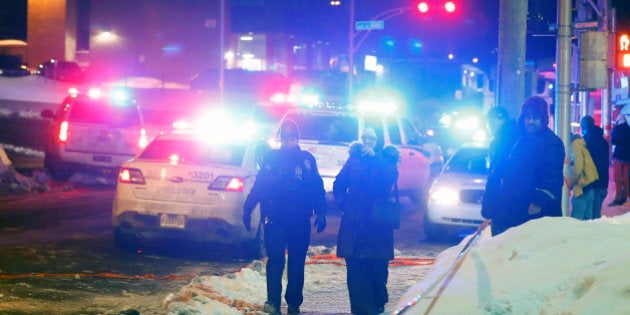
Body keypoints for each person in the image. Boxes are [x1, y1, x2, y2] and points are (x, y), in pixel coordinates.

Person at [243, 120, 328, 315]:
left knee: (297, 262)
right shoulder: (271, 159)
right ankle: (273, 301)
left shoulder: (307, 160)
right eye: (285, 138)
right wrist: (248, 208)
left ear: (297, 139)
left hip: (299, 220)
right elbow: (259, 186)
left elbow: (317, 188)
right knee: (276, 261)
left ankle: (294, 303)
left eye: (292, 138)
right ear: (281, 139)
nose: (288, 142)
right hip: (275, 219)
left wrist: (321, 211)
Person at [333, 127, 399, 315]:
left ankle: (378, 305)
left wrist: (374, 158)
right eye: (365, 137)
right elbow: (339, 184)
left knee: (378, 274)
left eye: (372, 138)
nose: (368, 141)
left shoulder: (387, 159)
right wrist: (343, 203)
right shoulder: (354, 159)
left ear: (379, 141)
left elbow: (390, 177)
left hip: (378, 228)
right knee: (355, 275)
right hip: (354, 226)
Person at [491, 96, 565, 236]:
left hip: (536, 212)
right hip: (517, 208)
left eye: (535, 118)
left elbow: (552, 178)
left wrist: (538, 201)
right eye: (527, 117)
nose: (530, 122)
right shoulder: (521, 139)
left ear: (543, 119)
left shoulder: (551, 143)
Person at [481, 106, 519, 236]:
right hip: (513, 198)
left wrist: (489, 203)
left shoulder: (502, 140)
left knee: (501, 239)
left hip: (504, 199)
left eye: (490, 122)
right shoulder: (516, 135)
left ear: (499, 119)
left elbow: (496, 174)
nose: (489, 126)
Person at [580, 115, 610, 218]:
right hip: (603, 182)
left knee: (588, 216)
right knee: (596, 214)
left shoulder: (585, 142)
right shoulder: (604, 141)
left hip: (590, 183)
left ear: (583, 127)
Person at [565, 133, 598, 220]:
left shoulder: (574, 148)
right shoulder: (581, 145)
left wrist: (569, 183)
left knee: (576, 221)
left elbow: (577, 168)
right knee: (588, 220)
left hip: (582, 189)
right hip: (589, 186)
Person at [609, 113, 630, 206]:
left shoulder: (616, 129)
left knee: (617, 177)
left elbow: (613, 141)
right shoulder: (629, 129)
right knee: (625, 177)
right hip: (628, 157)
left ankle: (618, 197)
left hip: (618, 156)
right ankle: (624, 196)